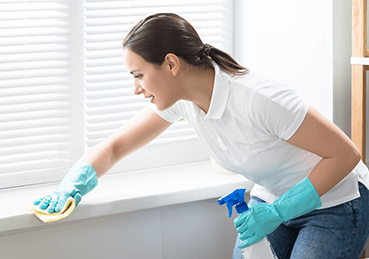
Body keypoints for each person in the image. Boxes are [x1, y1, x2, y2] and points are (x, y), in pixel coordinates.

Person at [33, 13, 369, 259]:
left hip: (335, 203)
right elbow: (115, 145)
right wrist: (71, 185)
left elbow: (346, 155)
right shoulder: (185, 102)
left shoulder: (257, 98)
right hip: (272, 202)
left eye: (139, 75)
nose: (136, 88)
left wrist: (280, 210)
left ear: (170, 64)